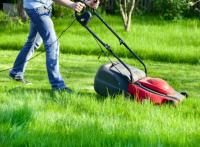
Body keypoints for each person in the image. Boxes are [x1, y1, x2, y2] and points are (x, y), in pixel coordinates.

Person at [9, 0, 99, 93]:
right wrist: (71, 4)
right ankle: (57, 85)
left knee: (34, 42)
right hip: (37, 8)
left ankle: (16, 72)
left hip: (41, 8)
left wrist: (87, 2)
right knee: (52, 44)